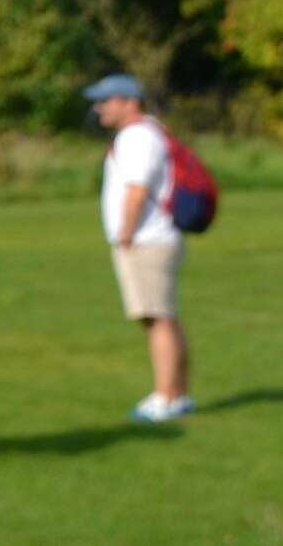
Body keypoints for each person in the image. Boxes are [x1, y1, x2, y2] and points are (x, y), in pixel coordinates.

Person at [85, 73, 194, 422]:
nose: (99, 108)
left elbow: (137, 190)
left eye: (106, 100)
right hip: (153, 239)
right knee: (164, 317)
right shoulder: (146, 133)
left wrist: (126, 234)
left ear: (130, 102)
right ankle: (177, 393)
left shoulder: (137, 137)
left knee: (156, 319)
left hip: (146, 241)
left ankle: (165, 397)